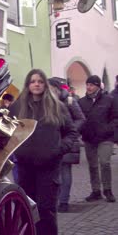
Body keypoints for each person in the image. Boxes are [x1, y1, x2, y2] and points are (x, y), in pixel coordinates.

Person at [8, 69, 78, 234]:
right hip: (25, 166)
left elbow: (71, 132)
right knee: (27, 208)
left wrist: (59, 149)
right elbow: (8, 130)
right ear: (28, 85)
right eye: (33, 81)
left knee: (46, 209)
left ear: (45, 84)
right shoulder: (18, 106)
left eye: (40, 81)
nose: (37, 84)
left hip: (49, 166)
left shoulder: (57, 107)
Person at [78, 75, 118, 203]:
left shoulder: (109, 100)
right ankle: (96, 191)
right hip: (89, 138)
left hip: (106, 137)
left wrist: (108, 129)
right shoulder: (82, 102)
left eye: (91, 85)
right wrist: (81, 131)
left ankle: (108, 190)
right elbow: (79, 119)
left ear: (97, 86)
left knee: (105, 162)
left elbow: (115, 118)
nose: (89, 87)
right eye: (87, 85)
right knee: (93, 165)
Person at [48, 78, 85, 213]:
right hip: (52, 142)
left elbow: (81, 118)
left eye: (52, 89)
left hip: (67, 141)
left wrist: (70, 131)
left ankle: (63, 202)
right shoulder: (47, 102)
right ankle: (55, 200)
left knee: (65, 171)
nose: (50, 92)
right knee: (53, 173)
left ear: (58, 89)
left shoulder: (70, 101)